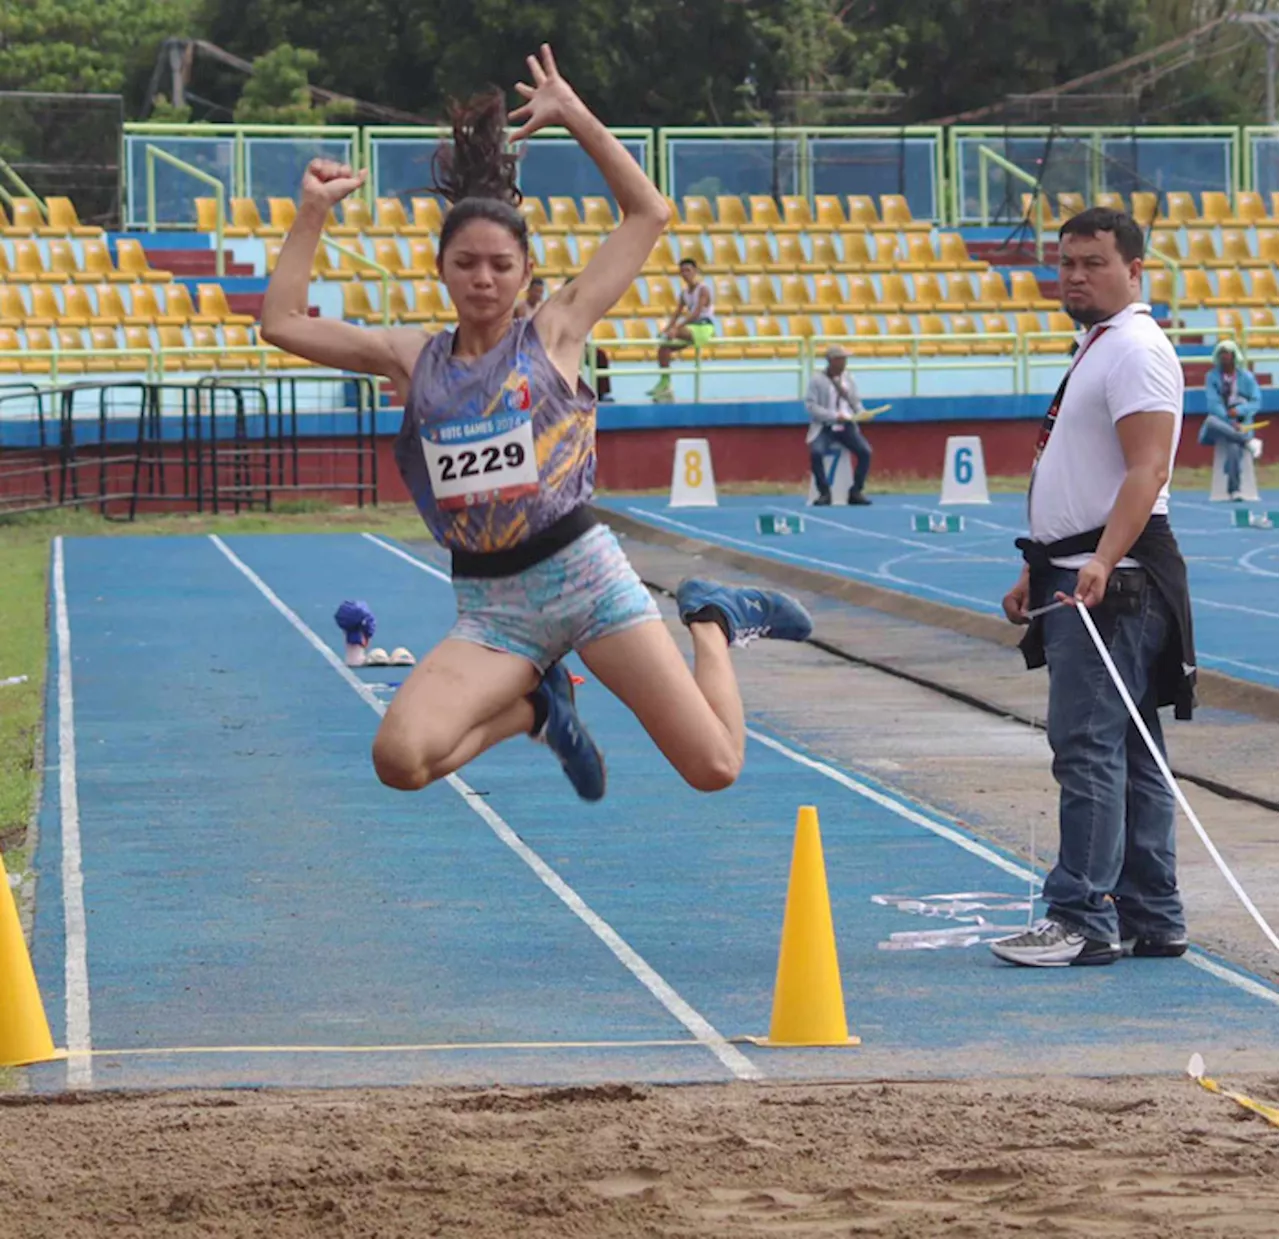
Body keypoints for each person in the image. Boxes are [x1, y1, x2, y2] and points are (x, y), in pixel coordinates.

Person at [260, 45, 813, 806]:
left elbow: (649, 213)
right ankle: (536, 704)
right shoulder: (410, 356)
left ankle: (714, 618)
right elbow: (282, 322)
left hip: (585, 579)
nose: (482, 278)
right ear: (441, 270)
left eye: (498, 264)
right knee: (401, 758)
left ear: (525, 271)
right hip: (492, 607)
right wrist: (312, 215)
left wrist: (574, 113)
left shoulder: (556, 331)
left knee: (714, 765)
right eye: (465, 264)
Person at [990, 206, 1196, 969]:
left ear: (1134, 271)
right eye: (1067, 262)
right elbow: (1085, 474)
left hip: (1117, 581)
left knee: (1088, 747)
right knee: (1132, 750)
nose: (1075, 275)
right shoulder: (1102, 346)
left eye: (1093, 263)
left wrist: (1101, 561)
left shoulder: (1136, 350)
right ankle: (1153, 913)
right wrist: (1035, 565)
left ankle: (1080, 916)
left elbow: (1149, 469)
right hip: (1080, 569)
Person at [805, 345, 873, 506]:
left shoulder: (849, 379)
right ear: (831, 361)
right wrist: (834, 416)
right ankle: (824, 492)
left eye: (845, 359)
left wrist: (862, 413)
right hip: (825, 426)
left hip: (847, 426)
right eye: (841, 359)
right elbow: (811, 406)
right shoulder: (817, 380)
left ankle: (856, 490)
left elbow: (855, 401)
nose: (844, 363)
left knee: (865, 452)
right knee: (816, 453)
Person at [1200, 339, 1263, 501]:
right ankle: (1248, 442)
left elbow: (1256, 401)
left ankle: (1234, 489)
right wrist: (1229, 419)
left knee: (1234, 446)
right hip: (1221, 423)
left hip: (1241, 423)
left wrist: (1239, 411)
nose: (1225, 358)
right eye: (1221, 354)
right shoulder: (1211, 377)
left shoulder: (1246, 377)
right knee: (1210, 421)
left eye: (1228, 354)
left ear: (1235, 356)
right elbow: (1213, 404)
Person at [648, 258, 715, 402]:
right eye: (682, 271)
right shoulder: (684, 293)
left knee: (673, 334)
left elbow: (696, 313)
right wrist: (666, 329)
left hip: (703, 327)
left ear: (695, 271)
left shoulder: (703, 290)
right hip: (690, 328)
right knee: (664, 347)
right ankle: (665, 383)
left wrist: (675, 329)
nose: (685, 274)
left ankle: (665, 385)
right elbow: (677, 312)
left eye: (688, 270)